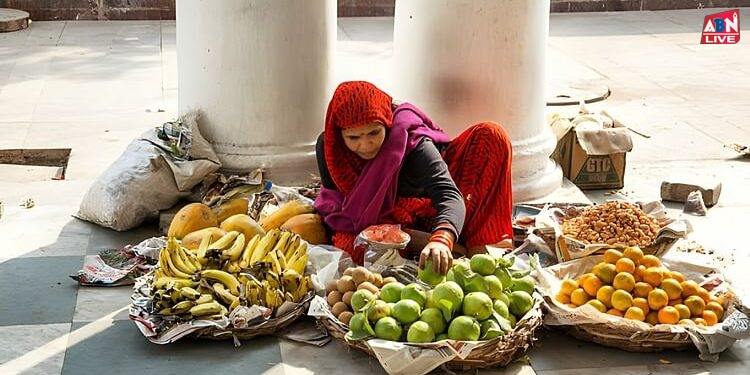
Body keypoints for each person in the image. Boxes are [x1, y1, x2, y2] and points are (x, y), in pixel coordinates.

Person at [314, 81, 513, 275]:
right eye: (354, 138)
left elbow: (448, 194)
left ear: (387, 122)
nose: (366, 145)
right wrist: (389, 231)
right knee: (353, 249)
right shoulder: (331, 148)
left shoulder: (411, 142)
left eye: (374, 132)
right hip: (384, 222)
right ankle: (418, 241)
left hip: (433, 210)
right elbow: (336, 208)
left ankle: (470, 247)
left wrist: (442, 238)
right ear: (339, 134)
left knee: (491, 134)